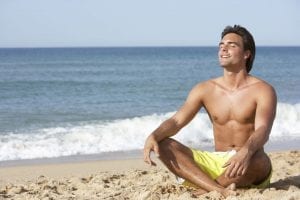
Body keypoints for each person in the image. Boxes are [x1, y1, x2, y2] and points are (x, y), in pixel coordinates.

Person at [143, 25, 277, 197]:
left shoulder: (263, 90)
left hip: (246, 164)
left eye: (232, 45)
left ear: (246, 54)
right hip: (215, 162)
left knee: (260, 160)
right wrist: (153, 136)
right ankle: (219, 189)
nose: (223, 48)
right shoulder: (205, 89)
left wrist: (246, 152)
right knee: (162, 144)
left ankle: (207, 187)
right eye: (221, 45)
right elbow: (177, 121)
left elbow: (263, 130)